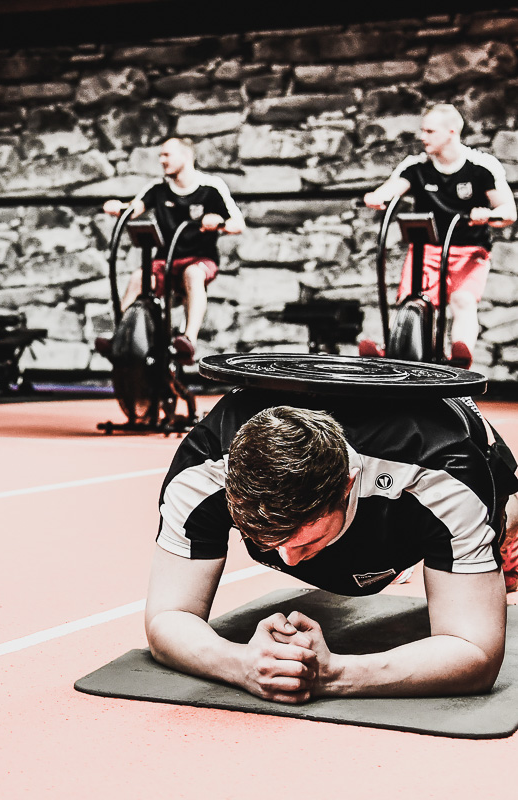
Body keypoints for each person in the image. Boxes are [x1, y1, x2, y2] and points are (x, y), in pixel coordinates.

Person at [146, 389, 518, 704]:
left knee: (505, 531)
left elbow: (476, 653)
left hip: (463, 456)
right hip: (374, 508)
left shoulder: (443, 475)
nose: (287, 558)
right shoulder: (203, 469)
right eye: (264, 540)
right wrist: (238, 662)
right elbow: (166, 616)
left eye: (305, 540)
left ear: (347, 484)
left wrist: (335, 675)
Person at [361, 104, 517, 369]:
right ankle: (399, 352)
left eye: (430, 131)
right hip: (427, 249)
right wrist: (377, 197)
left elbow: (508, 212)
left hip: (469, 249)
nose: (423, 136)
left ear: (451, 132)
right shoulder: (417, 166)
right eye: (423, 130)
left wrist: (487, 214)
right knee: (412, 301)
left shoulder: (481, 167)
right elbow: (389, 190)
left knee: (463, 300)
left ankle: (460, 358)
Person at [100, 137, 245, 365]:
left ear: (186, 156)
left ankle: (188, 340)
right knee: (139, 278)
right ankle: (119, 336)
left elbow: (238, 224)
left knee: (193, 274)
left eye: (167, 155)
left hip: (199, 260)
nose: (161, 160)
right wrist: (118, 207)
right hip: (165, 262)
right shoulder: (158, 189)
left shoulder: (211, 188)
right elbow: (134, 208)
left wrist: (218, 223)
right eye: (161, 155)